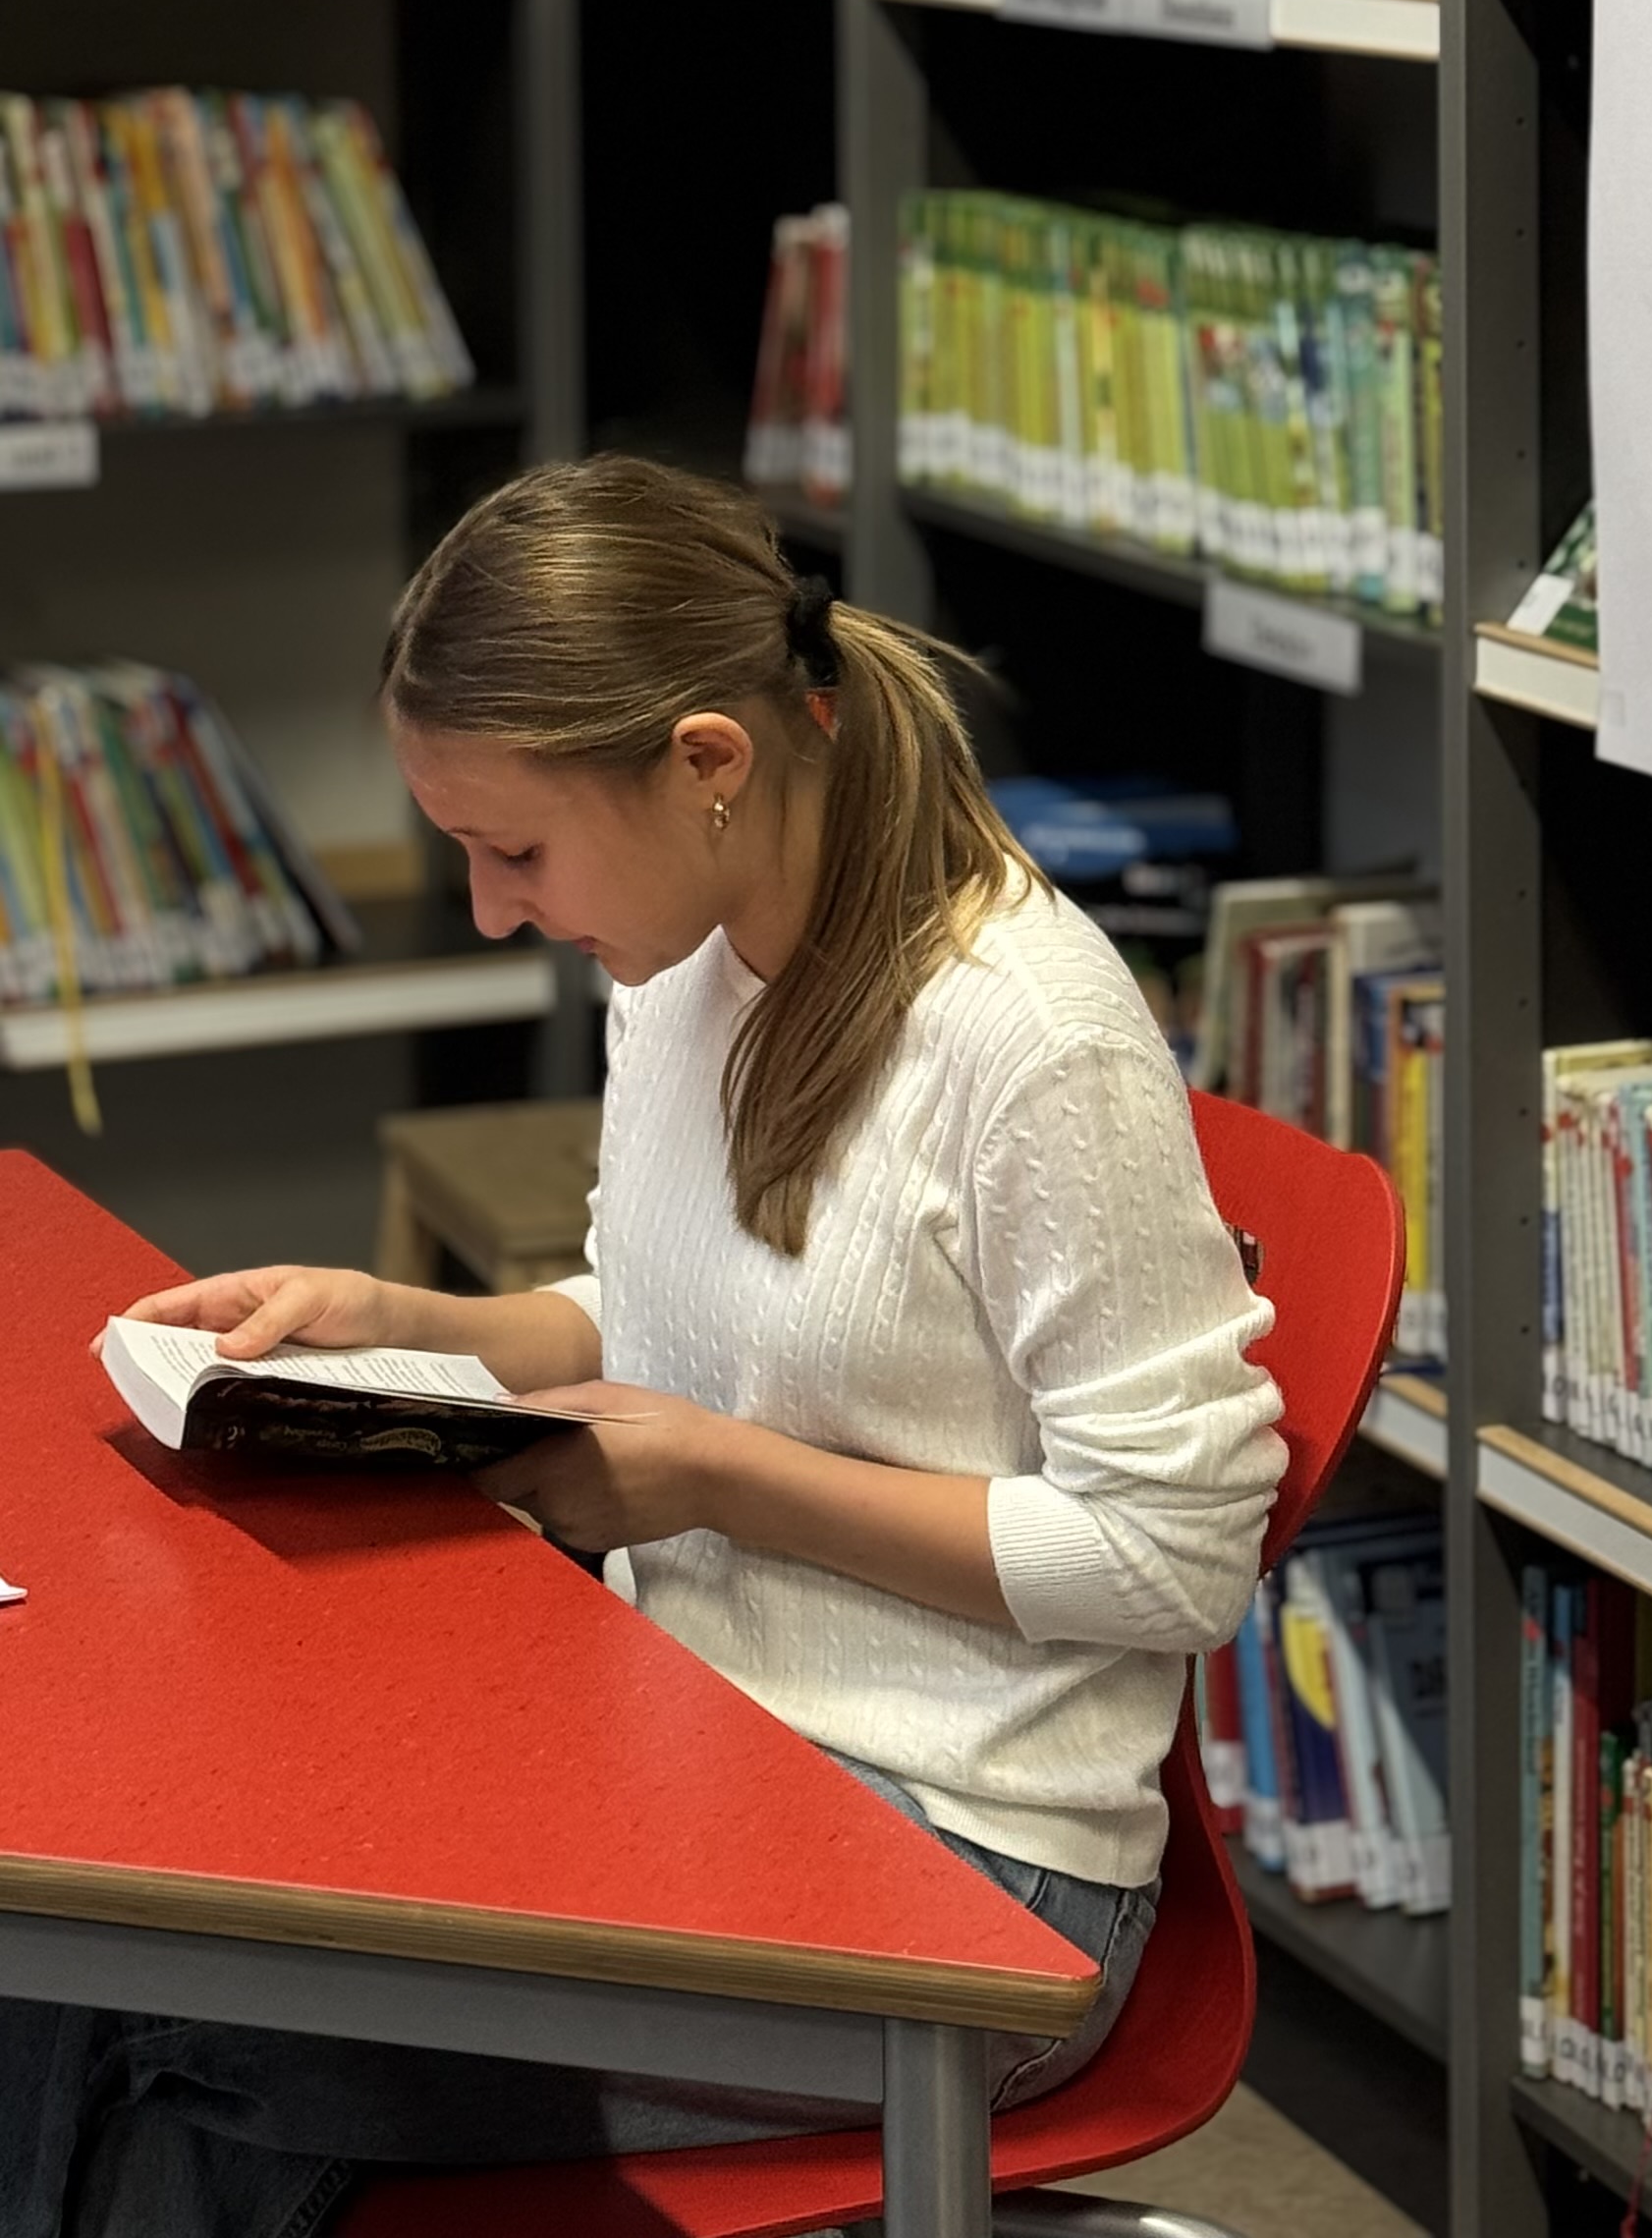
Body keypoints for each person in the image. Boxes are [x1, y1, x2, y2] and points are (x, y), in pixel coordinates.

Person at [12, 461, 1285, 2238]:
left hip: (974, 1868)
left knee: (169, 2045)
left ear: (707, 763)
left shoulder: (1031, 1044)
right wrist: (403, 1324)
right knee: (97, 1957)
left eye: (515, 851)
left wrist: (716, 1481)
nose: (488, 910)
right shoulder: (682, 954)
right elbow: (656, 1306)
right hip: (692, 1749)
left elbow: (1174, 1558)